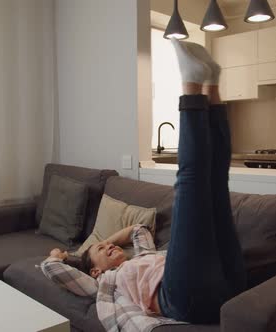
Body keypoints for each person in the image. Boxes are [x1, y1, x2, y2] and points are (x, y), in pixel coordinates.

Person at [44, 39, 247, 326]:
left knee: (215, 180)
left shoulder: (143, 255)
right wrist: (63, 255)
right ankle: (191, 83)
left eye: (105, 247)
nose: (108, 248)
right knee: (191, 182)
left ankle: (211, 83)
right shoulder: (106, 284)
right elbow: (53, 270)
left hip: (224, 286)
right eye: (102, 253)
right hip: (183, 298)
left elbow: (138, 230)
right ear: (95, 272)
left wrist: (104, 241)